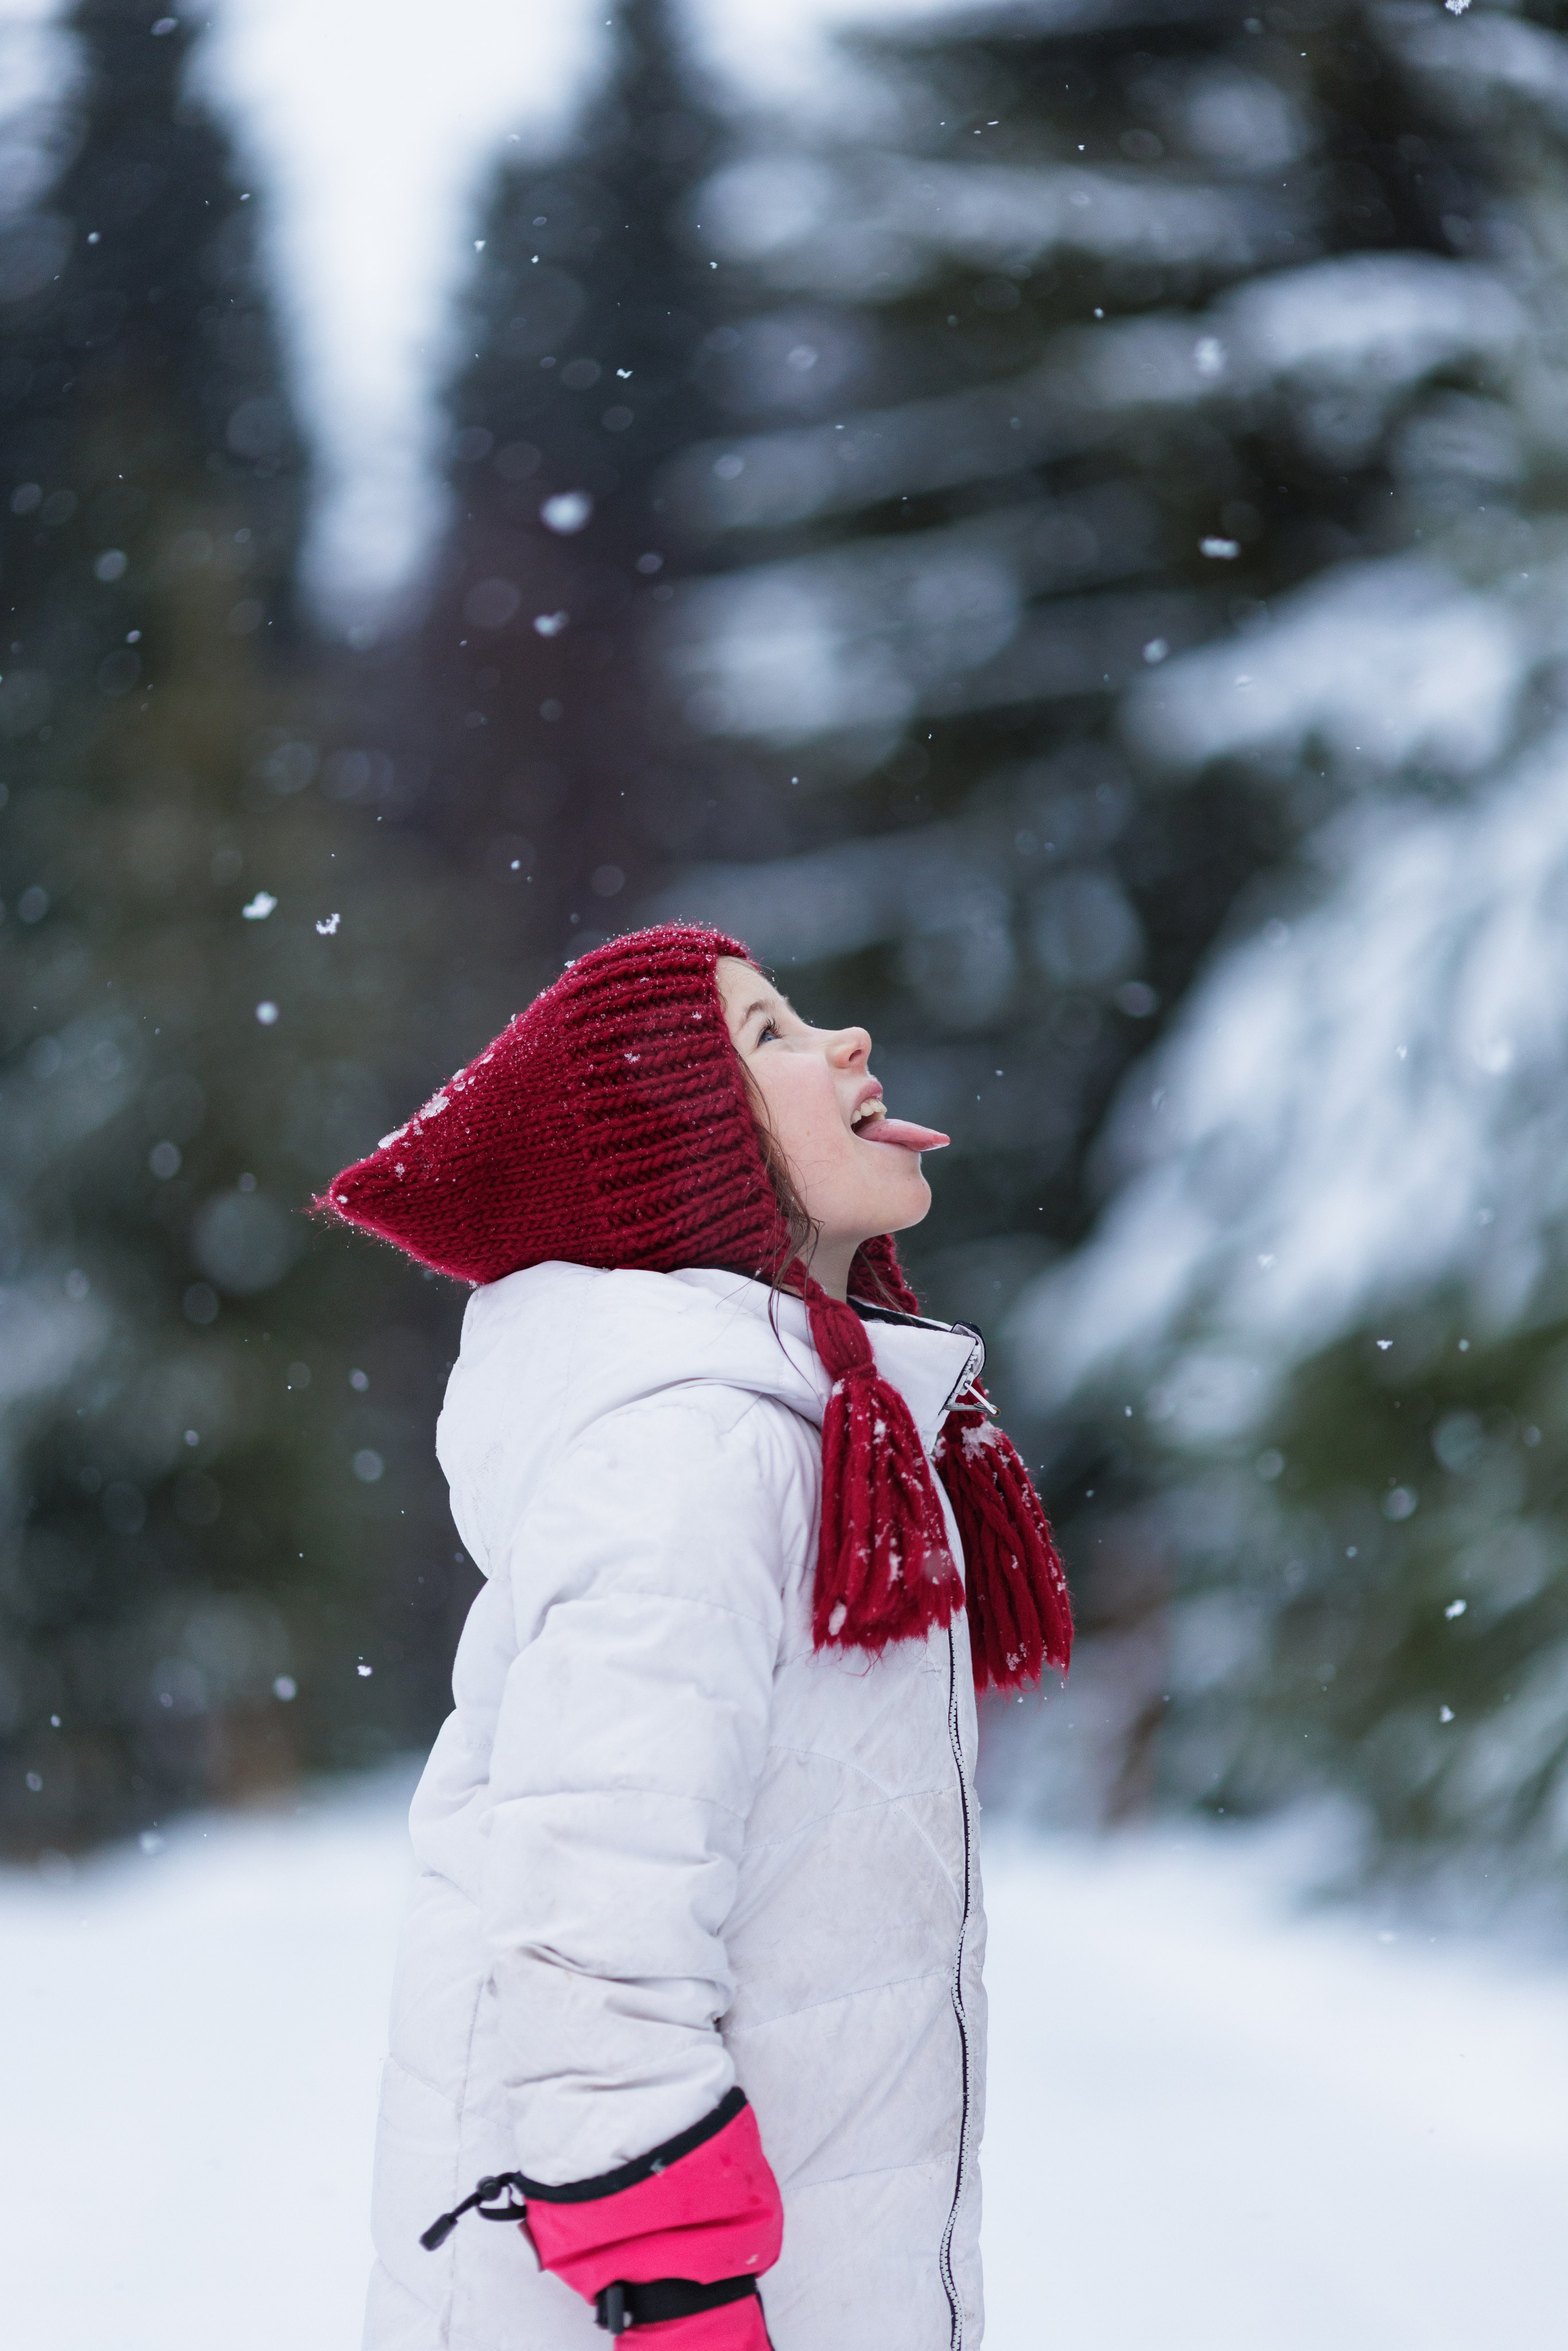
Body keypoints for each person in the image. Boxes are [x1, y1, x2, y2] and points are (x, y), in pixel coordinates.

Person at [319, 922, 1071, 2351]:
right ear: (690, 1156)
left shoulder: (787, 1431)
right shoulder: (690, 1453)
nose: (844, 1041)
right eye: (769, 1035)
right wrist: (680, 2300)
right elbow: (590, 1941)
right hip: (648, 2308)